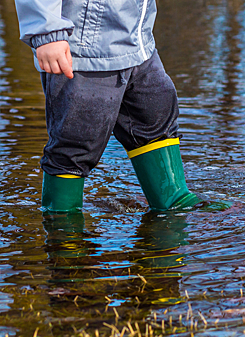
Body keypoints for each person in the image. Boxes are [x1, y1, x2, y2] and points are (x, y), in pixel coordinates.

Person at [14, 0, 200, 212]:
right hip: (85, 51)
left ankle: (173, 197)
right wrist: (46, 32)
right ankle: (63, 223)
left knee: (156, 111)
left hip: (139, 42)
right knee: (77, 138)